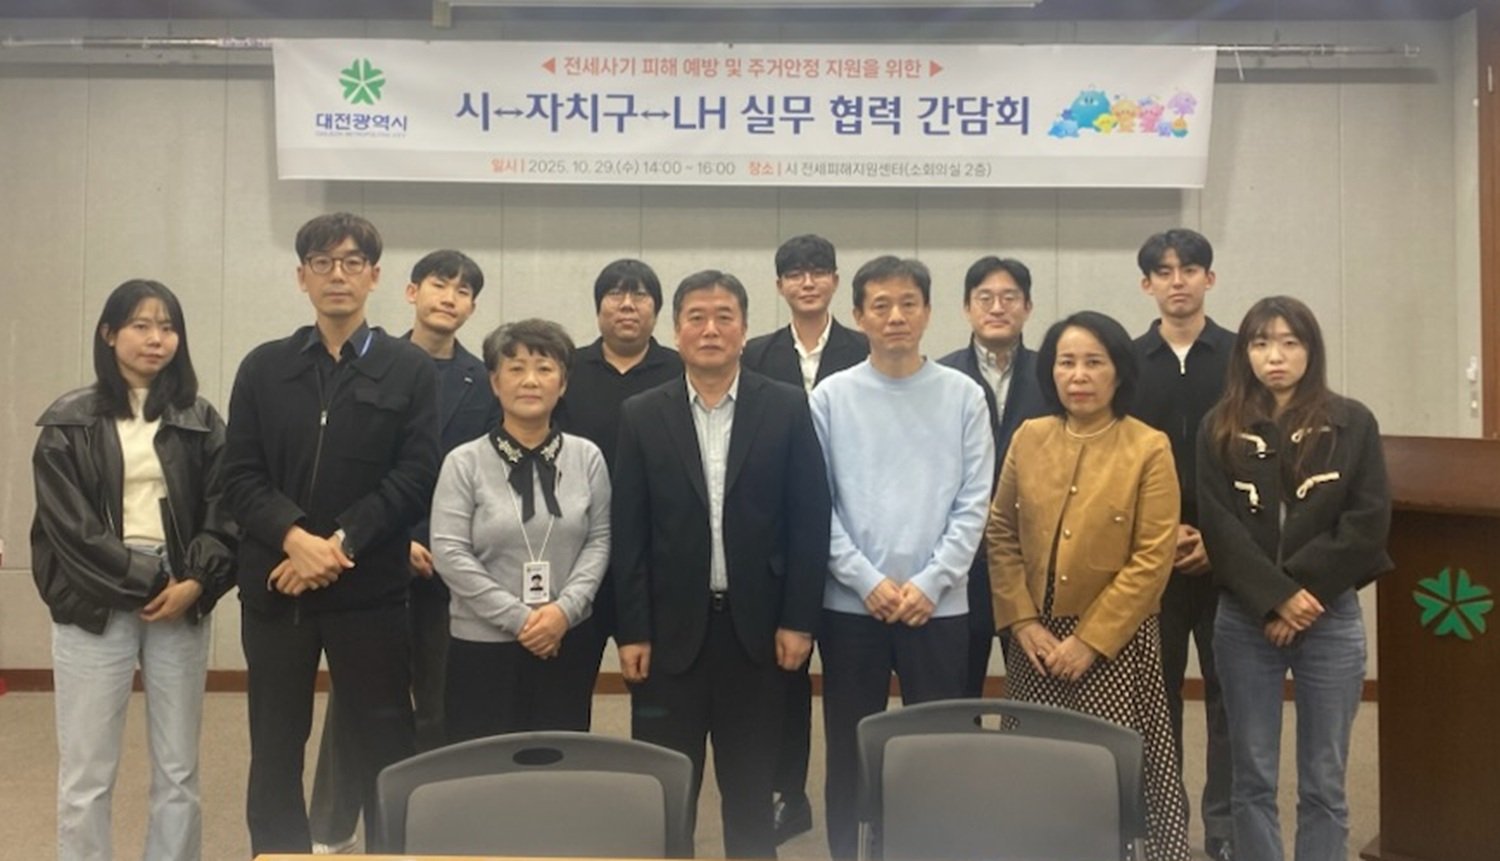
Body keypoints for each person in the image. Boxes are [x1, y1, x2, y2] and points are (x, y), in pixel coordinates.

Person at [222, 212, 441, 855]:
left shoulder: (408, 369)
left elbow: (415, 475)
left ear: (374, 276)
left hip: (369, 591)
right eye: (322, 263)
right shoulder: (264, 367)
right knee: (275, 746)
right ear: (302, 277)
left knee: (383, 743)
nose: (336, 275)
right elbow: (239, 475)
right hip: (278, 588)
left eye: (351, 262)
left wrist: (339, 545)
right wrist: (294, 538)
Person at [612, 270, 831, 859]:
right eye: (697, 317)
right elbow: (628, 532)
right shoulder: (641, 414)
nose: (710, 329)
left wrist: (799, 621)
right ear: (676, 330)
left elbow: (809, 521)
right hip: (667, 639)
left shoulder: (785, 406)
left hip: (756, 636)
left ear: (745, 329)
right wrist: (631, 630)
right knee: (666, 794)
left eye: (724, 317)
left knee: (751, 796)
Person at [31, 279, 236, 861]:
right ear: (109, 334)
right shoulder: (68, 421)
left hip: (181, 591)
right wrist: (150, 581)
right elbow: (70, 529)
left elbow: (225, 509)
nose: (156, 339)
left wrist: (196, 581)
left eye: (168, 327)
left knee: (179, 768)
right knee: (87, 772)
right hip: (93, 599)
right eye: (141, 326)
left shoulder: (200, 418)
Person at [307, 249, 500, 853]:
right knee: (354, 702)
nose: (450, 297)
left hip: (450, 566)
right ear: (412, 292)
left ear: (472, 307)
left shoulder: (484, 381)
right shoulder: (371, 363)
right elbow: (359, 468)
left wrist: (438, 542)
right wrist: (399, 537)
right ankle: (331, 827)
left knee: (438, 702)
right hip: (372, 554)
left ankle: (425, 825)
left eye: (463, 291)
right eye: (440, 284)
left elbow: (481, 476)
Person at [987, 310, 1191, 861]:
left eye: (1094, 362)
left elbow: (1152, 558)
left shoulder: (1148, 446)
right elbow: (1001, 533)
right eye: (1066, 363)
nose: (1078, 375)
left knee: (1108, 778)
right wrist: (1022, 622)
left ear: (1118, 372)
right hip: (1034, 641)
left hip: (1113, 645)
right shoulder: (1030, 437)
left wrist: (1089, 641)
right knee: (1035, 773)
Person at [810, 255, 994, 860]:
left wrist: (932, 582)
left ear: (929, 312)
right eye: (881, 305)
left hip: (937, 607)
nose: (895, 316)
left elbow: (975, 502)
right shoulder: (831, 396)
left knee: (936, 746)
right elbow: (817, 504)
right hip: (851, 606)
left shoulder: (963, 395)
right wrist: (864, 580)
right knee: (850, 748)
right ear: (858, 315)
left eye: (908, 303)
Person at [1197, 296, 1391, 861]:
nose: (1274, 356)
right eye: (1260, 343)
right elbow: (1219, 528)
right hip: (1244, 619)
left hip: (1328, 615)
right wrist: (1275, 598)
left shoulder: (1352, 422)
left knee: (1324, 778)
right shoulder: (1220, 426)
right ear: (1245, 353)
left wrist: (1299, 595)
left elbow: (1366, 524)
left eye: (1289, 342)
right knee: (1251, 774)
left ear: (1311, 349)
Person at [741, 233, 867, 842]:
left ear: (836, 281)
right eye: (795, 273)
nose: (808, 282)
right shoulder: (755, 354)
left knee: (848, 684)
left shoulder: (864, 349)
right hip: (780, 540)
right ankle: (788, 793)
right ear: (780, 286)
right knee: (782, 681)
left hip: (854, 535)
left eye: (819, 271)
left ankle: (857, 804)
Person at [432, 319, 611, 738]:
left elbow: (599, 540)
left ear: (562, 384)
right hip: (482, 643)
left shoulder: (587, 457)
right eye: (516, 368)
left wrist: (563, 612)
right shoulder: (464, 462)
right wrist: (521, 620)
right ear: (495, 383)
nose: (530, 380)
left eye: (544, 369)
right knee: (484, 764)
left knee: (559, 760)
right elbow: (449, 553)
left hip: (566, 637)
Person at [1129, 228, 1237, 861]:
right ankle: (1159, 823)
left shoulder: (1241, 357)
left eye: (1189, 269)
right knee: (1155, 698)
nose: (1178, 281)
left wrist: (1217, 539)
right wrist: (1161, 531)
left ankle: (1223, 828)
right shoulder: (1126, 360)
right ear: (1147, 284)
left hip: (1231, 556)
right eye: (1164, 271)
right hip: (1151, 556)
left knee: (1230, 698)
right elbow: (1117, 459)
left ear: (1209, 279)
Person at [554, 258, 684, 709]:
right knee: (566, 695)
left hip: (654, 556)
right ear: (598, 308)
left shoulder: (681, 371)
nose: (627, 305)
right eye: (615, 294)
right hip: (577, 553)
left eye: (640, 295)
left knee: (658, 700)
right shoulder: (566, 370)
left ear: (657, 310)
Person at [938, 255, 1047, 698]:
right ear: (967, 308)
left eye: (1009, 298)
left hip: (1031, 557)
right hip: (962, 558)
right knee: (957, 689)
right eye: (985, 298)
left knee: (1035, 687)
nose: (997, 308)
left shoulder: (1053, 374)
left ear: (1028, 307)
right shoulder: (941, 377)